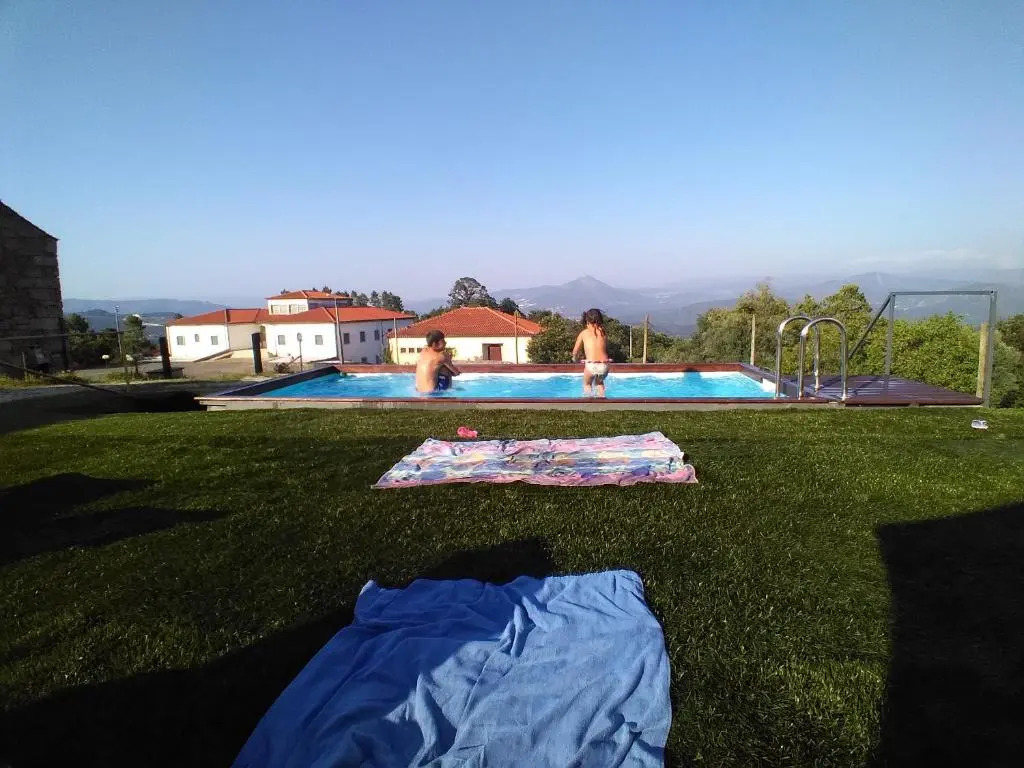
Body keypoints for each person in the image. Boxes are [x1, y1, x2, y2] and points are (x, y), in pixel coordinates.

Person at [572, 308, 611, 397]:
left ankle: (589, 402)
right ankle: (603, 400)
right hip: (604, 365)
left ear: (587, 321)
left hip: (591, 364)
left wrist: (574, 359)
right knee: (599, 383)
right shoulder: (603, 333)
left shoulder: (584, 333)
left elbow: (575, 350)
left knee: (587, 384)